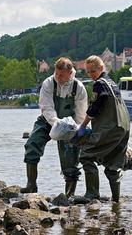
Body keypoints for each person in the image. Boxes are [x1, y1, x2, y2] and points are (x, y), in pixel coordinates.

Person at [22, 57, 88, 196]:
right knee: (32, 144)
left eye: (61, 75)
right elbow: (46, 107)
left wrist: (73, 130)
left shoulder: (79, 87)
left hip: (71, 125)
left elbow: (81, 114)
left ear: (70, 73)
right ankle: (31, 186)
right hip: (48, 120)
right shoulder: (48, 83)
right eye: (56, 73)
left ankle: (69, 195)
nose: (57, 77)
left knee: (71, 158)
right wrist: (57, 124)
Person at [75, 55, 130, 202]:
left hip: (110, 129)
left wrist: (83, 126)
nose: (91, 75)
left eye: (93, 71)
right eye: (88, 72)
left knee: (86, 155)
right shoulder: (112, 83)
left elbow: (94, 108)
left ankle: (92, 194)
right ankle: (116, 200)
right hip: (123, 128)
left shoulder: (99, 83)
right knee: (113, 164)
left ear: (101, 68)